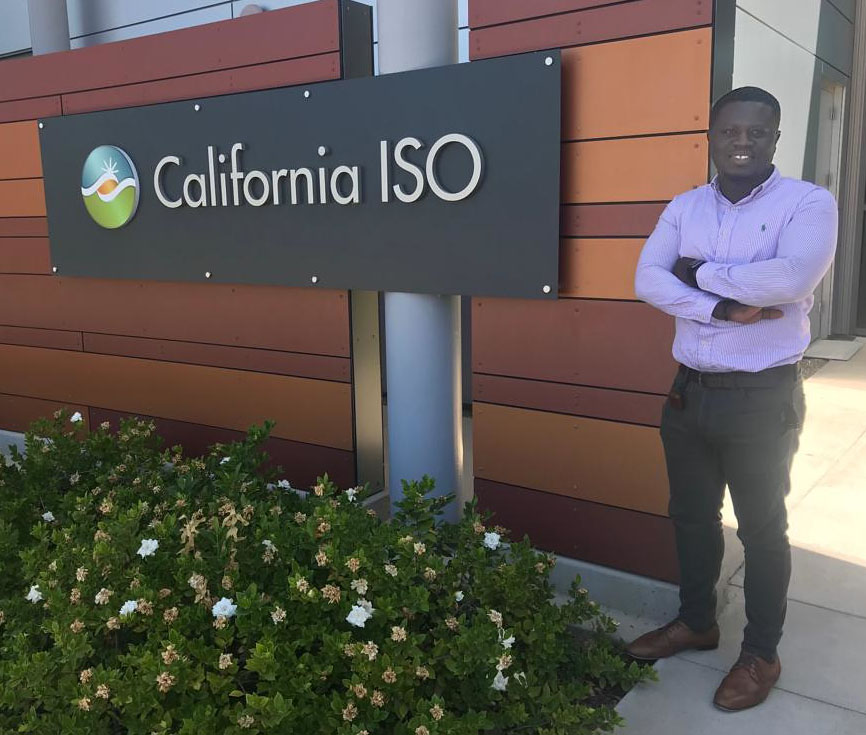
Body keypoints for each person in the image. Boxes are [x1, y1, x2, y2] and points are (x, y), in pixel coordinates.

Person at [629, 86, 838, 712]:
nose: (741, 141)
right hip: (689, 395)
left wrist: (695, 275)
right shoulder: (685, 206)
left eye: (755, 132)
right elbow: (645, 279)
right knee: (690, 516)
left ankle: (761, 653)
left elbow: (792, 277)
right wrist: (722, 304)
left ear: (775, 137)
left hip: (760, 398)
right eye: (729, 131)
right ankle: (697, 620)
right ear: (712, 136)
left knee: (763, 529)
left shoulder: (809, 203)